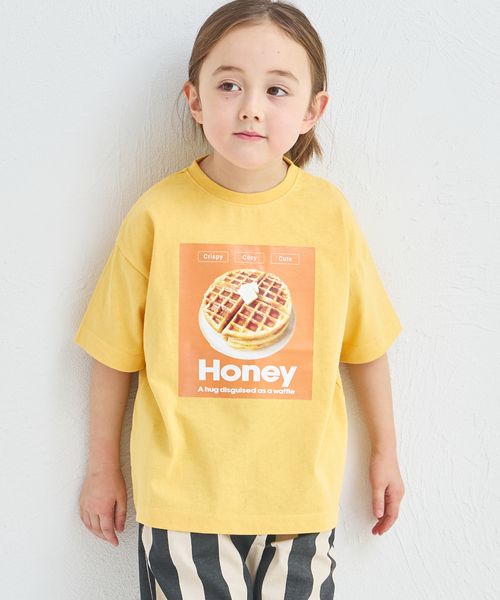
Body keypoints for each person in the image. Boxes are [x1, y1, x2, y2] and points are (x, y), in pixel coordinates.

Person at [75, 1, 405, 598]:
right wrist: (102, 468)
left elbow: (366, 345)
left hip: (300, 500)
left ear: (312, 110)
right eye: (229, 84)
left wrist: (386, 453)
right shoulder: (159, 214)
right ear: (195, 99)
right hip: (181, 499)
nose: (251, 106)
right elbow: (112, 352)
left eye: (277, 89)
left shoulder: (328, 215)